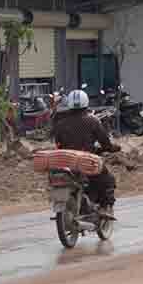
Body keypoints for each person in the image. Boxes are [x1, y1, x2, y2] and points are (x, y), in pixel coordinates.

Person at [51, 88, 120, 218]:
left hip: (66, 163)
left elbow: (58, 144)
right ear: (86, 103)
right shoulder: (92, 121)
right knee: (108, 180)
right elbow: (105, 142)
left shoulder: (60, 124)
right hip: (86, 162)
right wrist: (112, 148)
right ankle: (105, 207)